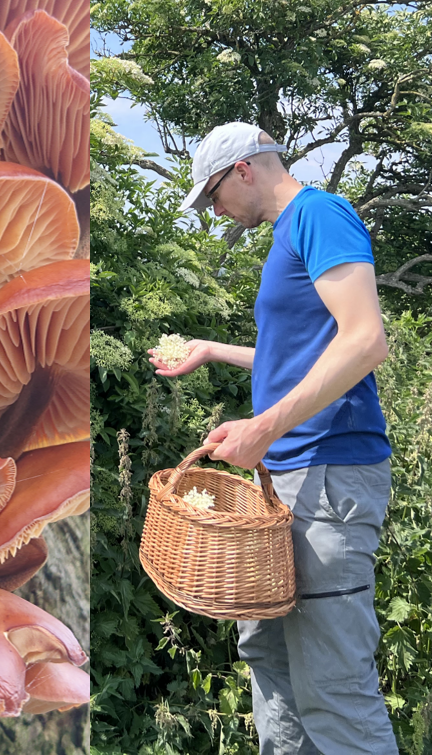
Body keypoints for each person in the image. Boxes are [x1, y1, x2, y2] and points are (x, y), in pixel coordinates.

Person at [150, 122, 398, 754]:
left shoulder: (320, 214)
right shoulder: (288, 234)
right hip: (283, 480)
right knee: (269, 658)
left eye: (212, 197)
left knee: (333, 687)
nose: (214, 212)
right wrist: (211, 351)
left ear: (242, 170)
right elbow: (298, 355)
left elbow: (365, 340)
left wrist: (264, 426)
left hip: (329, 476)